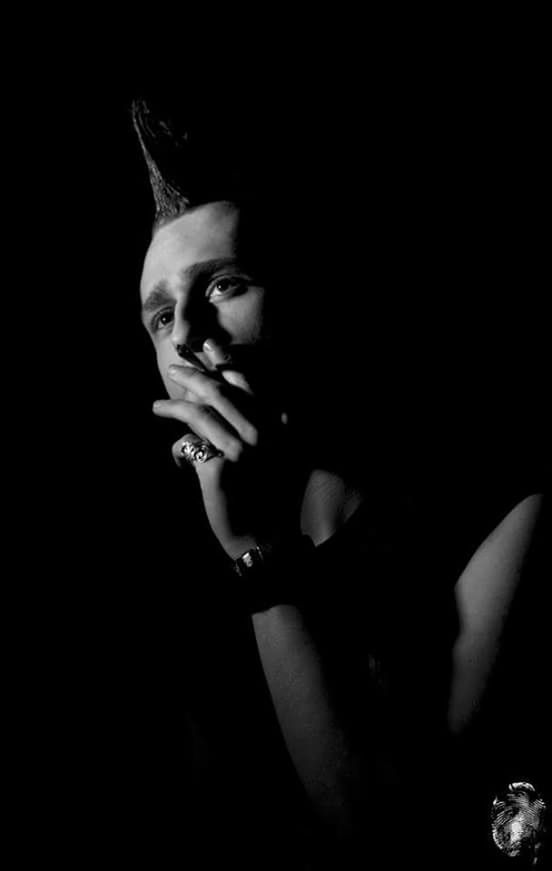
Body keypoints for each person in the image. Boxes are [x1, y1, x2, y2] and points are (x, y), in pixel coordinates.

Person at [129, 94, 549, 869]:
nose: (186, 333)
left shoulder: (495, 515)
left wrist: (259, 555)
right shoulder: (169, 578)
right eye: (159, 318)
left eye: (223, 285)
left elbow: (386, 838)